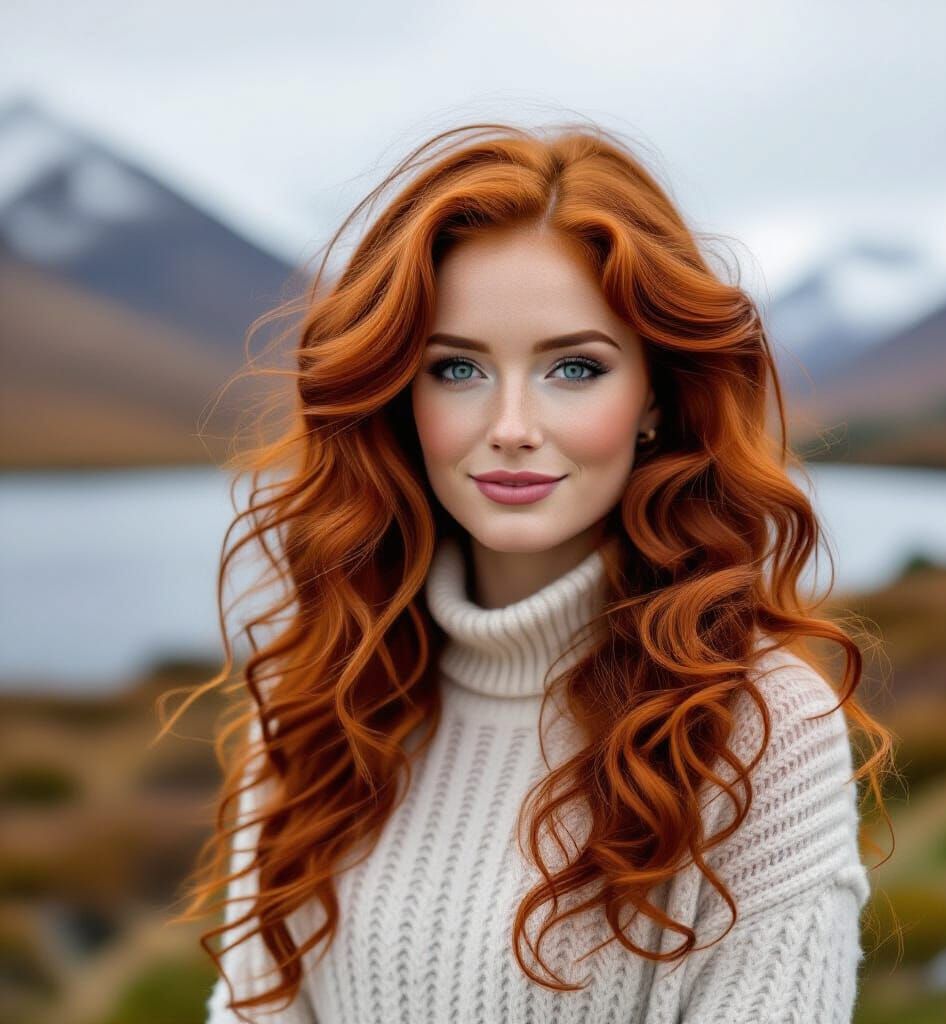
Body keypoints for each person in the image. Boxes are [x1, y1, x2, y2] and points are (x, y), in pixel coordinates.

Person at [174, 122, 893, 1023]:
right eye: (459, 367)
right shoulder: (327, 684)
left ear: (655, 401)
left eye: (574, 367)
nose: (511, 424)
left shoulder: (757, 723)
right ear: (401, 394)